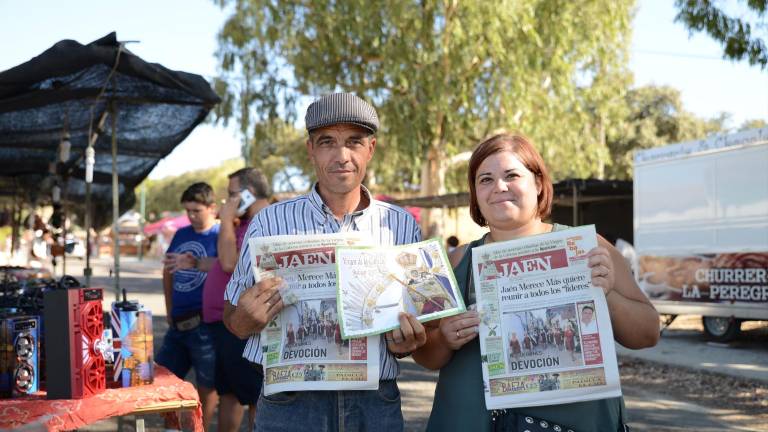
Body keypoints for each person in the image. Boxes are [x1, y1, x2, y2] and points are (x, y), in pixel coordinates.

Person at [413, 132, 660, 432]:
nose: (499, 187)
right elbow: (425, 354)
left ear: (539, 183)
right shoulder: (454, 261)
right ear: (475, 193)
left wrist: (605, 295)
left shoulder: (588, 247)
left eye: (511, 175)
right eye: (485, 179)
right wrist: (444, 339)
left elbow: (648, 333)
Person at [223, 93, 425, 432]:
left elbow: (422, 324)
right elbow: (233, 317)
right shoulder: (268, 223)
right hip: (290, 404)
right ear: (310, 150)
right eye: (328, 142)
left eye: (354, 142)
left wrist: (409, 342)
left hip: (374, 404)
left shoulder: (401, 225)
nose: (342, 156)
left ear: (370, 149)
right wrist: (244, 319)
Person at [202, 168, 271, 432]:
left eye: (232, 195)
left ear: (248, 194)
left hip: (244, 324)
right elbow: (224, 261)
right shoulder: (243, 223)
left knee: (254, 395)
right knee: (228, 393)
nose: (227, 202)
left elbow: (230, 262)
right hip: (225, 324)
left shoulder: (263, 222)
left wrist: (226, 220)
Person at [156, 182, 220, 431]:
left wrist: (197, 263)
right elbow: (168, 271)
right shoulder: (182, 234)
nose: (191, 216)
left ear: (212, 208)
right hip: (178, 322)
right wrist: (169, 308)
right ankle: (173, 427)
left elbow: (229, 265)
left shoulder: (220, 234)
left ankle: (199, 427)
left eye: (197, 211)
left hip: (204, 323)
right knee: (162, 378)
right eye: (188, 211)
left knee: (207, 384)